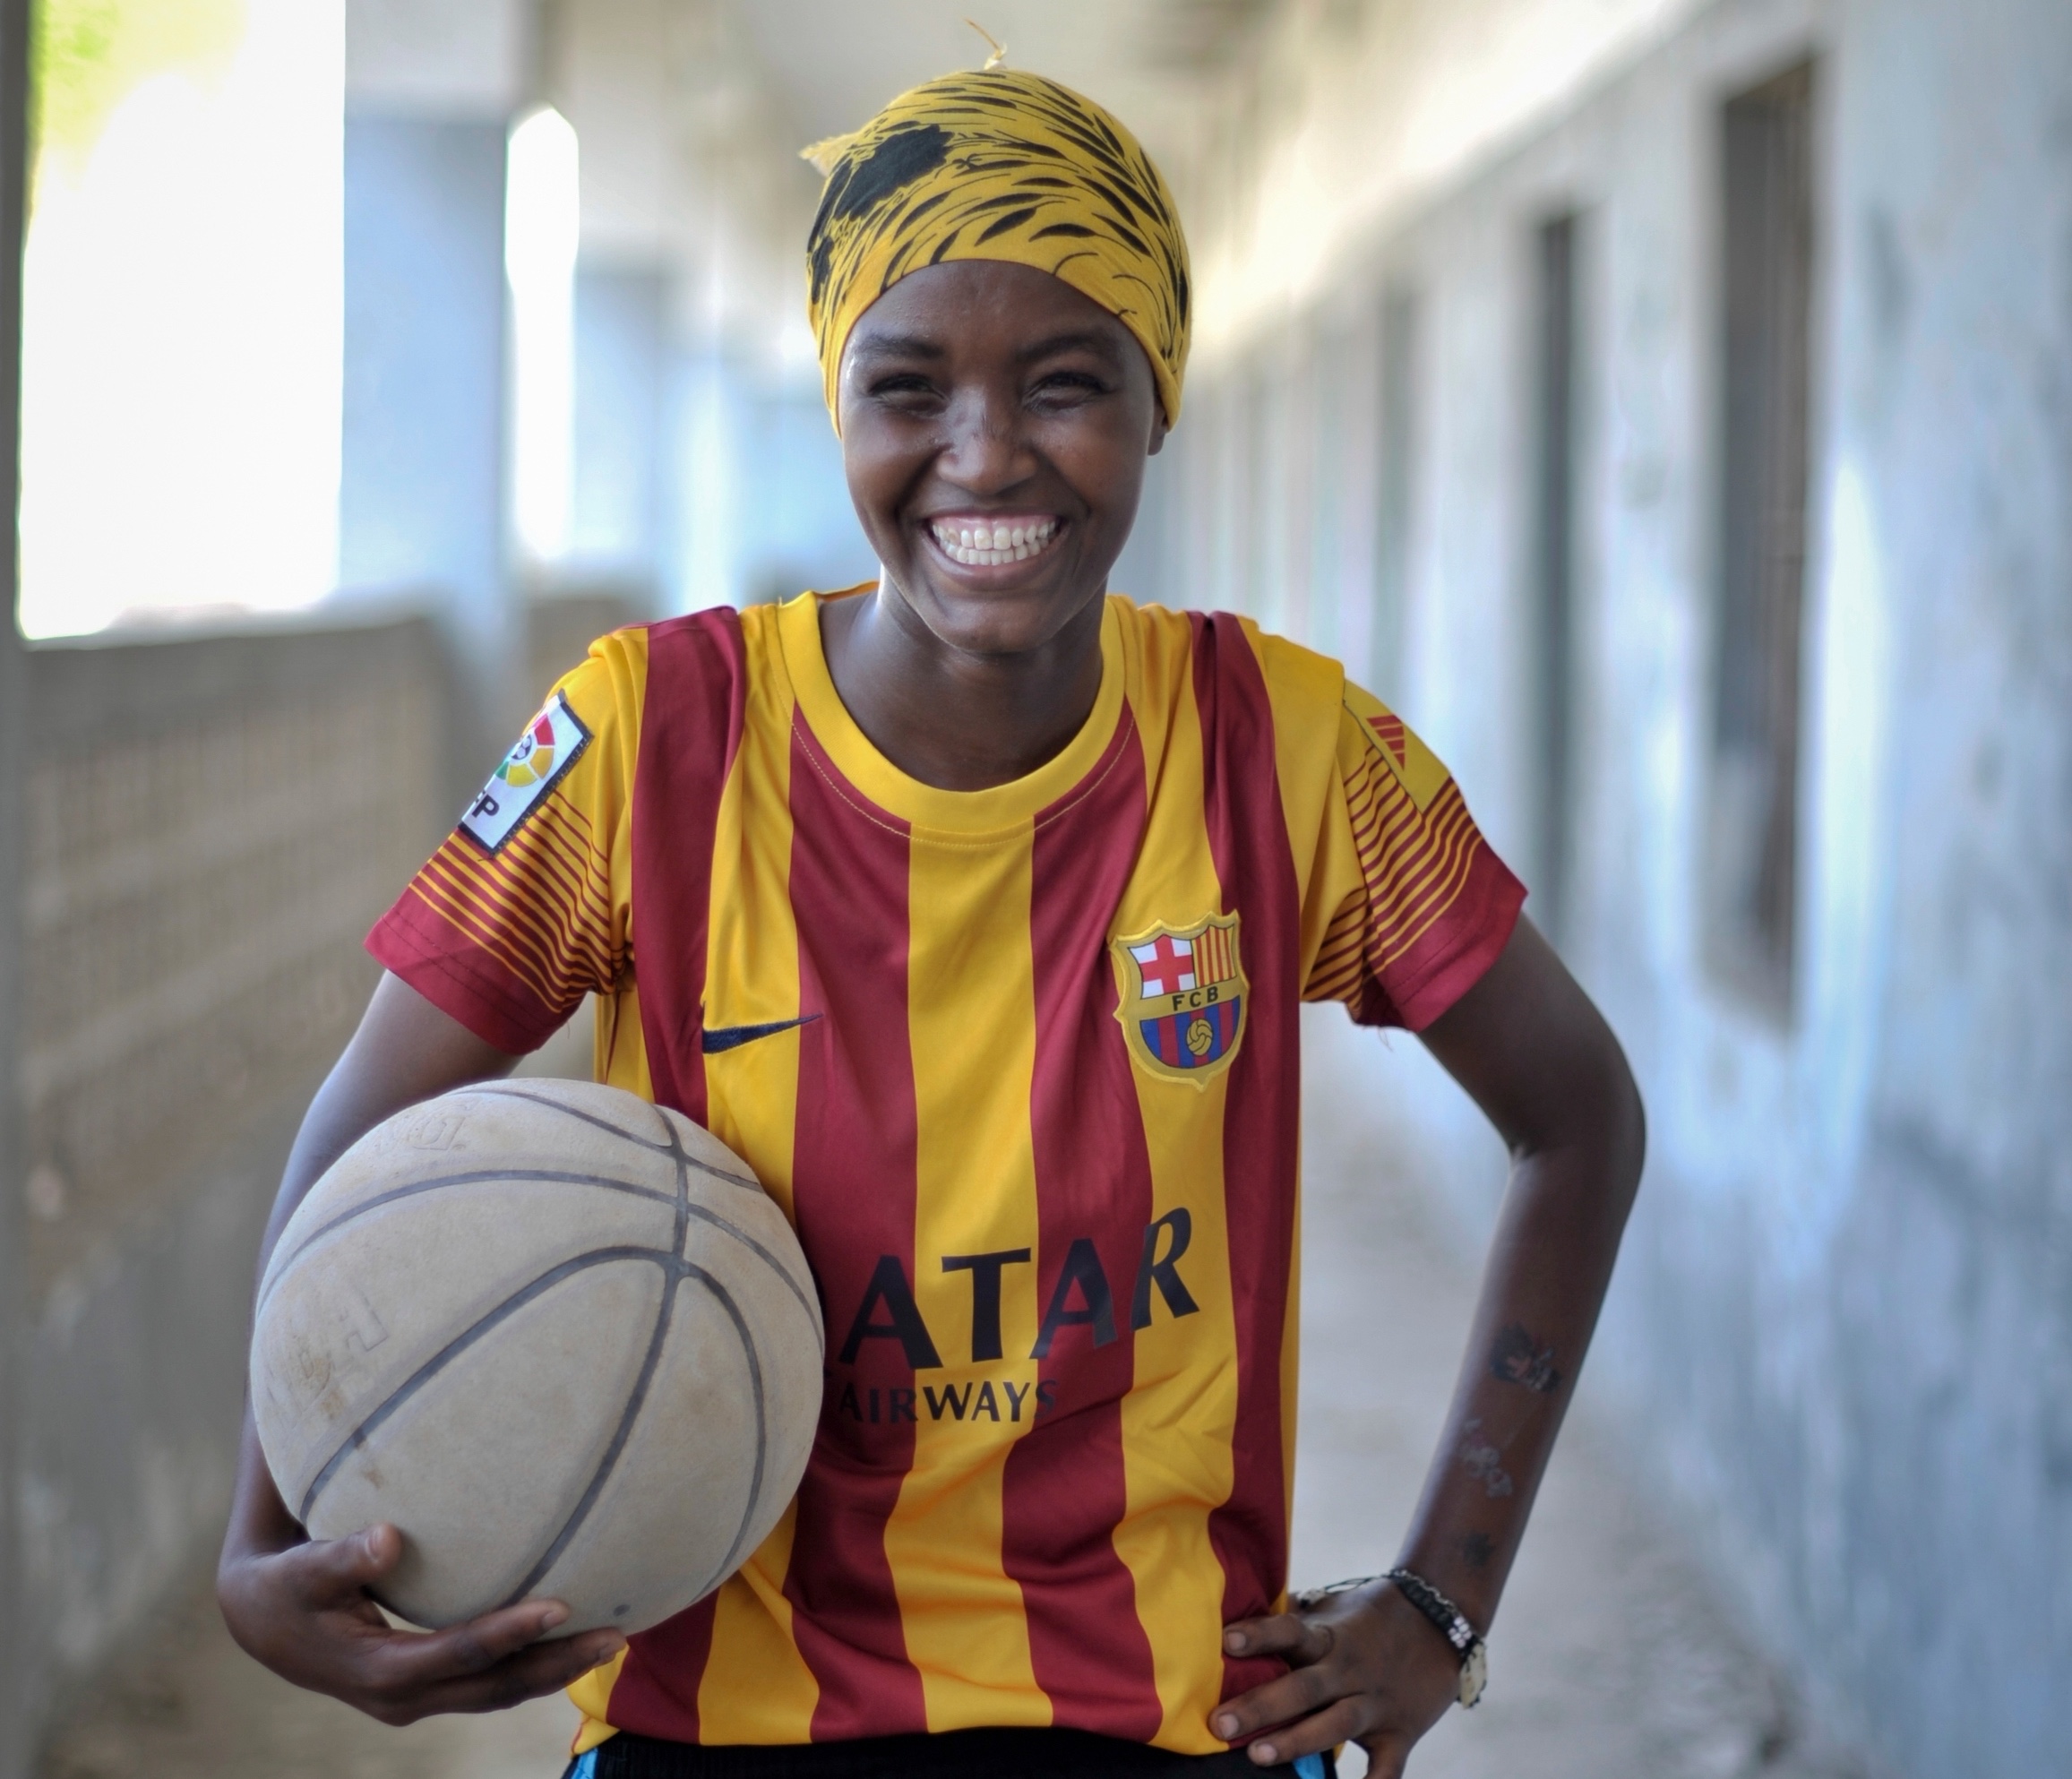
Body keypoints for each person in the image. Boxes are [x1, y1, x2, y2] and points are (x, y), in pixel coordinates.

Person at [218, 64, 1643, 1779]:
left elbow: (1576, 1114)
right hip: (718, 1722)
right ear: (839, 406)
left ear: (1159, 400)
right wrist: (266, 1532)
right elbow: (368, 1130)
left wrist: (1442, 1601)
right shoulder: (645, 740)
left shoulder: (1287, 749)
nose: (984, 454)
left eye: (1066, 383)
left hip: (1160, 1722)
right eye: (908, 387)